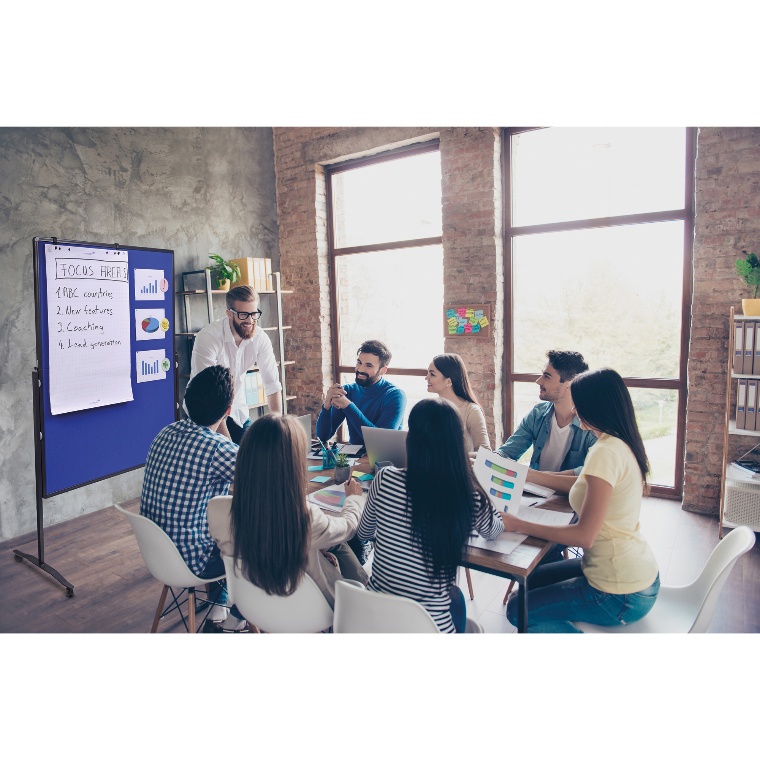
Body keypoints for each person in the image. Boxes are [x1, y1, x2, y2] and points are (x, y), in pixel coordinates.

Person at [502, 368, 660, 633]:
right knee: (526, 582)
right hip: (632, 573)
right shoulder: (617, 443)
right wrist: (527, 474)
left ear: (596, 407)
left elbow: (584, 536)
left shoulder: (605, 452)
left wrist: (518, 524)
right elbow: (579, 482)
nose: (574, 411)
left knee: (517, 609)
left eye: (579, 404)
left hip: (620, 592)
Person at [356, 398, 503, 633]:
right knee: (456, 598)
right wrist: (473, 478)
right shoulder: (467, 494)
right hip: (431, 627)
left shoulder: (384, 479)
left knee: (455, 597)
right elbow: (494, 530)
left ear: (410, 439)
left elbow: (364, 533)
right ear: (457, 443)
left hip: (374, 618)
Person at [207, 414, 368, 611]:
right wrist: (353, 499)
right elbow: (348, 527)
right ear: (294, 464)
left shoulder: (216, 509)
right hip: (313, 610)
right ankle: (365, 597)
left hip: (252, 607)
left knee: (325, 547)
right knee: (339, 546)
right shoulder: (305, 518)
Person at [140, 365, 246, 630]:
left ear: (188, 401)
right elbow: (259, 478)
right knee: (258, 535)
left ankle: (218, 607)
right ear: (228, 411)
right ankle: (237, 619)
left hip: (157, 554)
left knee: (220, 524)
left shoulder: (165, 433)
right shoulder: (217, 449)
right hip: (194, 561)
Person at [190, 284, 282, 444]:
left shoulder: (260, 338)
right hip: (206, 412)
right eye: (243, 314)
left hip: (237, 409)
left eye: (254, 314)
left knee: (253, 453)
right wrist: (229, 448)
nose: (250, 320)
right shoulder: (208, 337)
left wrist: (278, 429)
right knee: (226, 456)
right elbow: (210, 395)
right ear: (229, 313)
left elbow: (272, 385)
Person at [497, 349, 596, 476]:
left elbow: (591, 472)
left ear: (569, 383)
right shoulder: (537, 414)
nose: (538, 381)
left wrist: (535, 476)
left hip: (566, 490)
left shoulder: (591, 425)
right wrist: (489, 458)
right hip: (534, 487)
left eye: (547, 376)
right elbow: (507, 452)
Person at [316, 339, 406, 446]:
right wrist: (326, 406)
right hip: (353, 455)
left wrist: (348, 406)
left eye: (369, 365)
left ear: (383, 370)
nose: (360, 369)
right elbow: (322, 437)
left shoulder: (395, 396)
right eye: (359, 362)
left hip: (384, 456)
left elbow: (380, 443)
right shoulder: (347, 391)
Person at [426, 353, 490, 453]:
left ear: (448, 381)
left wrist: (457, 459)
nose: (426, 378)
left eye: (432, 374)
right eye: (428, 373)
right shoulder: (429, 409)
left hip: (461, 464)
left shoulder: (471, 411)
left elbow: (485, 452)